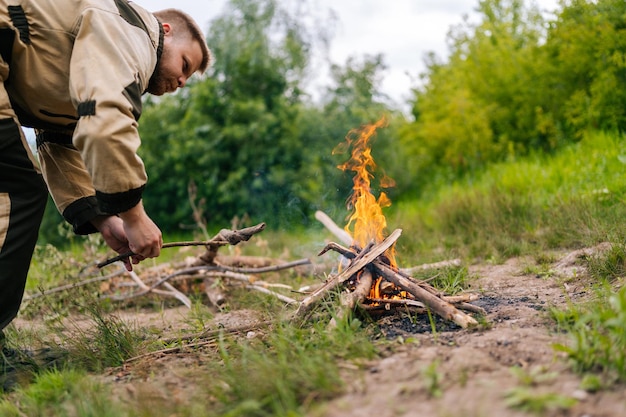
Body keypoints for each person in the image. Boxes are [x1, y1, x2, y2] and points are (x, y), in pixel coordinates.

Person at [0, 0, 212, 337]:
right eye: (185, 63)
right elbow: (105, 123)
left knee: (15, 189)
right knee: (17, 191)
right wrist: (133, 216)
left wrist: (102, 218)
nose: (182, 81)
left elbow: (59, 139)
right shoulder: (134, 33)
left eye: (188, 77)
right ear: (166, 32)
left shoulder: (86, 55)